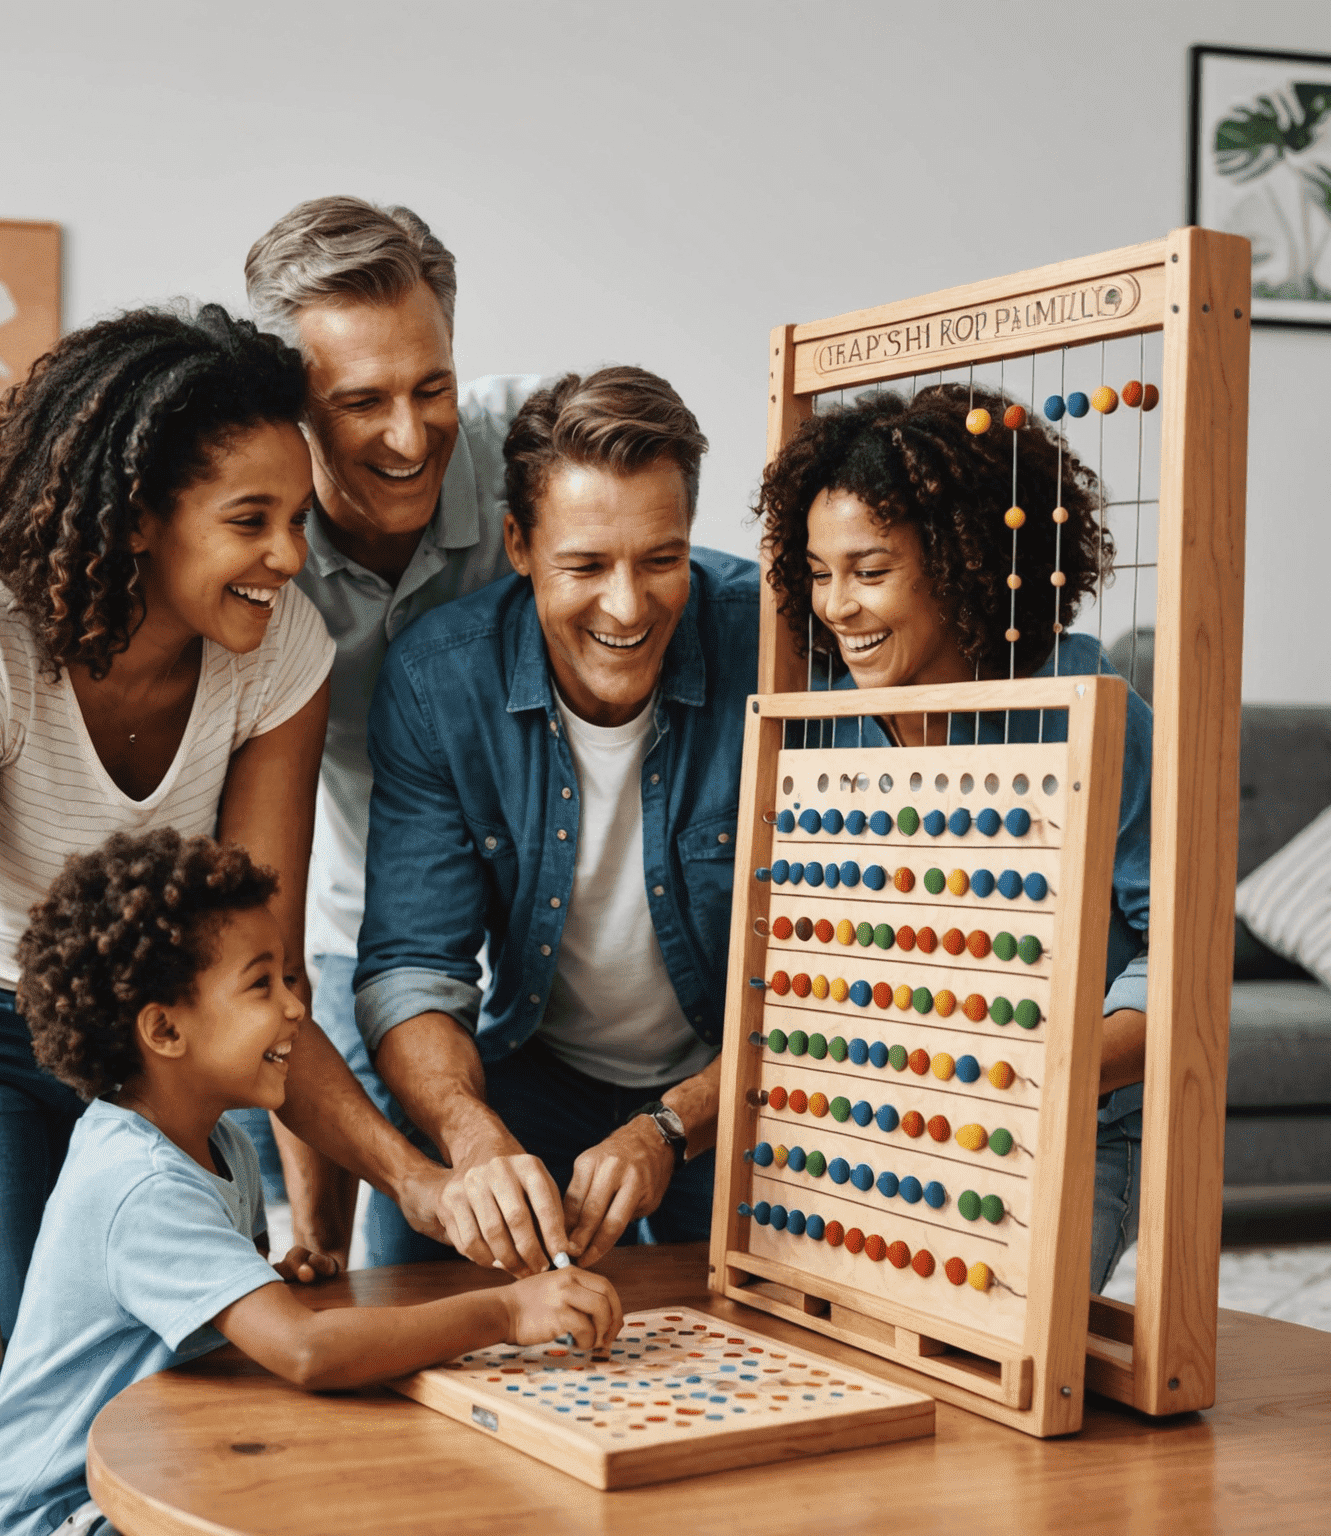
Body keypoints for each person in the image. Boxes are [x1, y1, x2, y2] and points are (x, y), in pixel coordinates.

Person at [0, 307, 450, 1535]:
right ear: (140, 515)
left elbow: (264, 984)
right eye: (249, 522)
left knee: (176, 1435)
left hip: (155, 1035)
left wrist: (415, 1185)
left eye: (296, 521)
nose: (287, 556)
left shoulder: (280, 653)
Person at [0, 830, 621, 1536]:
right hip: (57, 1509)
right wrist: (510, 1309)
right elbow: (305, 1351)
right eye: (262, 984)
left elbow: (182, 1315)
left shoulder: (216, 1143)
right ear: (165, 1029)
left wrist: (250, 1287)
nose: (297, 1011)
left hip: (144, 1461)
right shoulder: (138, 1181)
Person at [352, 366, 760, 1273]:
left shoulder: (773, 642)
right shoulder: (437, 682)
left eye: (662, 560)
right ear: (518, 544)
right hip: (535, 1072)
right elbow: (413, 969)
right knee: (411, 1299)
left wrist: (671, 1124)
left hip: (738, 1082)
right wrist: (472, 1136)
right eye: (585, 565)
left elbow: (838, 986)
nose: (627, 605)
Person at [755, 382, 1149, 1290]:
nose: (837, 607)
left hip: (1058, 1122)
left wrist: (1053, 1071)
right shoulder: (822, 724)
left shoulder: (1091, 714)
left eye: (870, 569)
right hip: (875, 1120)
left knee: (999, 1338)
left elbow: (1172, 957)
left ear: (964, 562)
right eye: (818, 572)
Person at [242, 196, 543, 1258]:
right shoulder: (246, 531)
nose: (410, 437)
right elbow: (272, 948)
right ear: (293, 407)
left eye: (434, 387)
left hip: (549, 931)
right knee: (360, 1265)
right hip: (363, 920)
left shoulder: (537, 455)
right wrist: (312, 1244)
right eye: (362, 401)